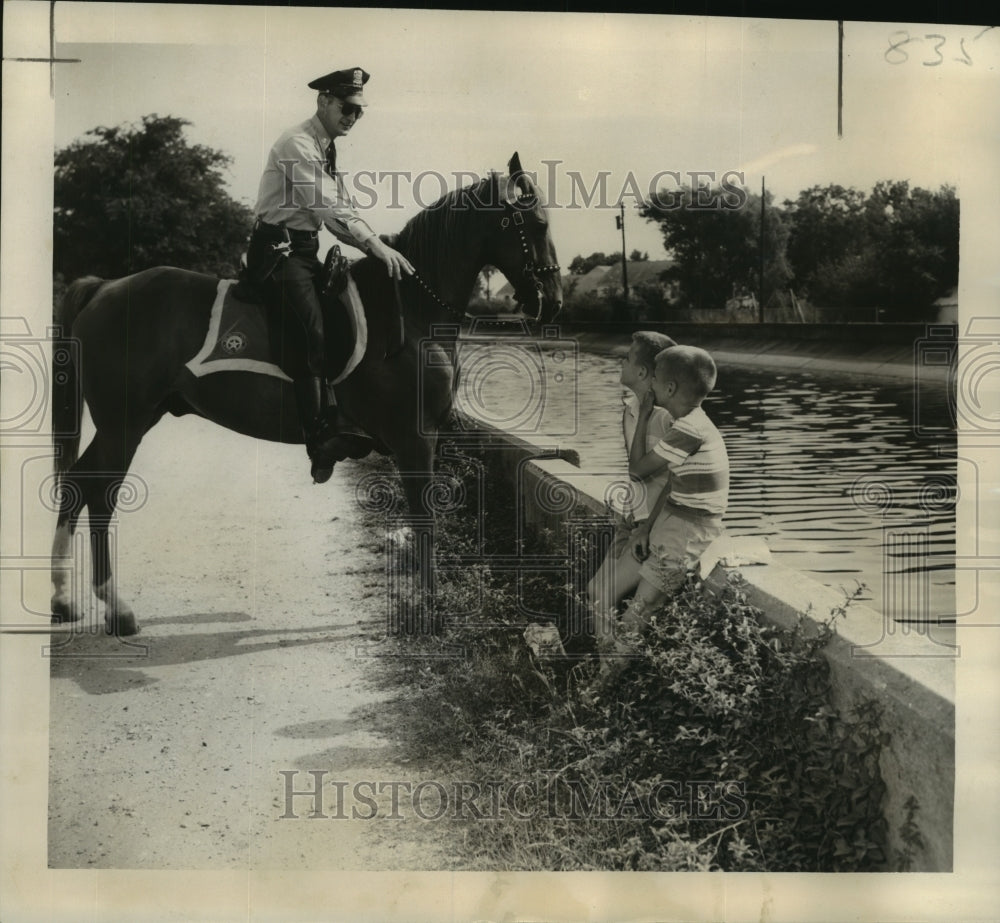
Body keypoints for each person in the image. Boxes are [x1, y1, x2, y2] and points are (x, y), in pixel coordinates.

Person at [247, 66, 414, 476]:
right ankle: (317, 436)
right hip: (278, 252)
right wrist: (373, 245)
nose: (353, 117)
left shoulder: (324, 144)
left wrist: (376, 240)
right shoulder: (298, 144)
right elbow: (328, 208)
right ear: (323, 101)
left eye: (359, 112)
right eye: (346, 108)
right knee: (312, 330)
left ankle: (347, 412)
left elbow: (341, 205)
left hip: (304, 249)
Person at [598, 344, 729, 671]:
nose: (650, 385)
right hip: (672, 519)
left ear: (668, 389)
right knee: (606, 596)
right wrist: (645, 527)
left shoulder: (688, 429)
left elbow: (638, 471)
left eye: (654, 379)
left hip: (689, 530)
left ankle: (599, 690)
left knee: (636, 616)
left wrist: (643, 414)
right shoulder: (688, 422)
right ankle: (604, 675)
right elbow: (673, 485)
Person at [587, 331, 676, 644]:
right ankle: (604, 673)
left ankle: (604, 680)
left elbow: (680, 477)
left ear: (641, 372)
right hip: (632, 519)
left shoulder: (667, 417)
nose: (620, 361)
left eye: (626, 357)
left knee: (606, 598)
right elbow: (636, 472)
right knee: (595, 591)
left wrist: (647, 527)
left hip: (653, 527)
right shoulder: (629, 410)